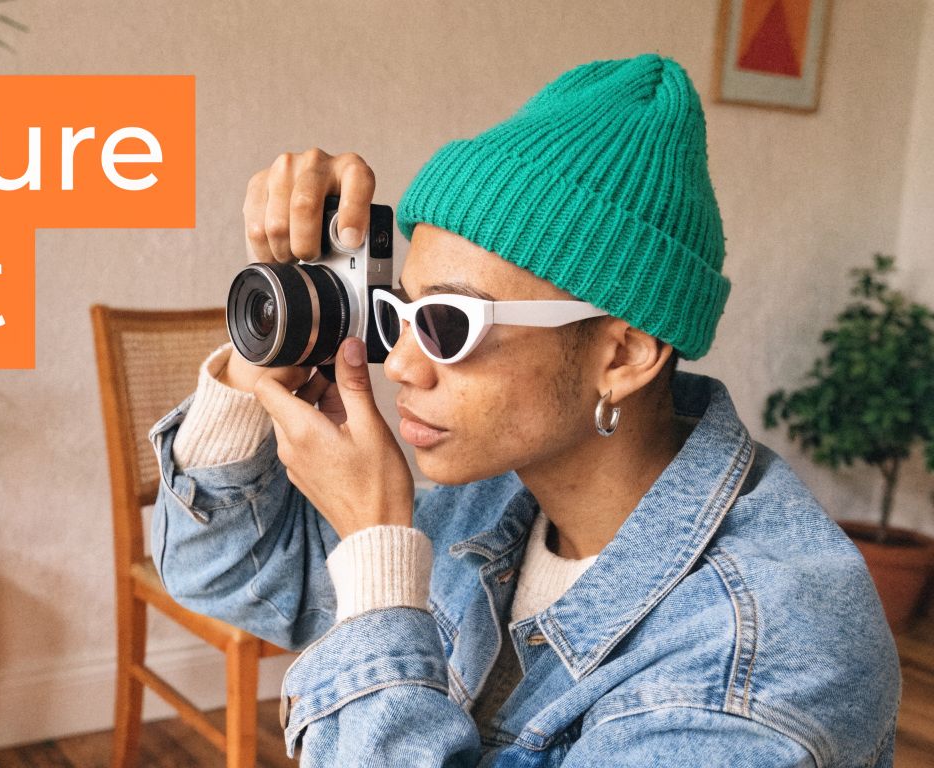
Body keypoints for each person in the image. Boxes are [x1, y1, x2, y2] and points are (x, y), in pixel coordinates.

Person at [148, 53, 901, 766]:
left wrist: (378, 550)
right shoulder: (495, 498)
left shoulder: (761, 657)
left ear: (624, 355)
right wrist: (260, 367)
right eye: (399, 314)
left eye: (450, 325)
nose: (403, 365)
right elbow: (222, 570)